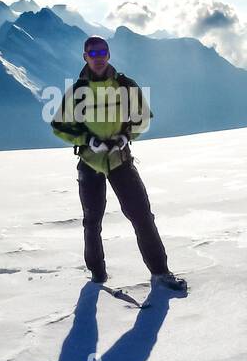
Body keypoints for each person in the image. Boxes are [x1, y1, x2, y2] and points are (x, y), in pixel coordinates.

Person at [51, 36, 187, 291]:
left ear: (109, 54)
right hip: (91, 163)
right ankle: (97, 277)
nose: (98, 56)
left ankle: (161, 272)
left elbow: (143, 118)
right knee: (92, 222)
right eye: (93, 52)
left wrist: (126, 136)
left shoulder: (125, 86)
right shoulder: (77, 92)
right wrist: (87, 140)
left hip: (119, 160)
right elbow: (59, 126)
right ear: (85, 57)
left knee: (142, 216)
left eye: (102, 51)